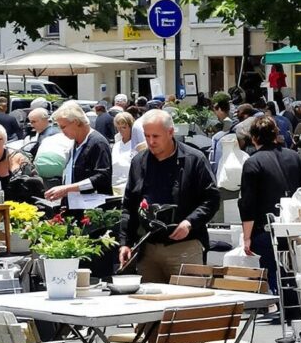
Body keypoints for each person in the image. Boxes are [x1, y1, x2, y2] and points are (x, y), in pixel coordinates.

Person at [119, 109, 220, 282]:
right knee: (149, 304)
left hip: (185, 246)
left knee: (188, 302)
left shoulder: (194, 159)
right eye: (147, 136)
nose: (150, 141)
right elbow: (129, 205)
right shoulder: (138, 162)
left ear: (171, 132)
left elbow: (211, 199)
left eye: (156, 136)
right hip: (148, 249)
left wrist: (189, 222)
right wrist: (125, 243)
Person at [238, 114, 301, 303]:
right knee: (295, 270)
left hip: (265, 227)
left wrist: (246, 237)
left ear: (254, 138)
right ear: (275, 134)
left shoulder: (252, 162)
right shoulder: (293, 156)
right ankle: (296, 307)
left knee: (275, 272)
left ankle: (284, 307)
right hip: (294, 224)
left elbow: (248, 203)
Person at [45, 101, 113, 215]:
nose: (62, 132)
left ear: (76, 122)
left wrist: (67, 189)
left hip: (92, 210)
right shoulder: (75, 143)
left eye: (63, 127)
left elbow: (102, 177)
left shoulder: (98, 143)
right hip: (74, 207)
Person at [0, 121, 40, 203]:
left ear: (5, 140)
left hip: (18, 204)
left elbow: (33, 183)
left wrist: (18, 172)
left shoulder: (17, 156)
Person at [110, 111, 140, 190]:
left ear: (131, 127)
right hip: (115, 186)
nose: (121, 131)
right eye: (118, 128)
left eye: (124, 127)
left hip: (130, 187)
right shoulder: (116, 145)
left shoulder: (137, 145)